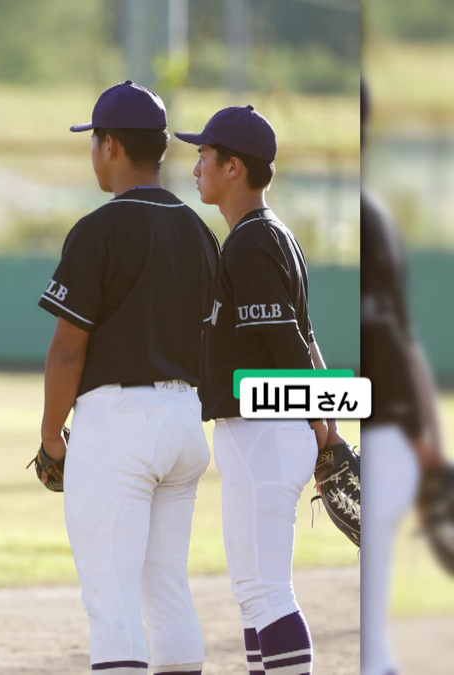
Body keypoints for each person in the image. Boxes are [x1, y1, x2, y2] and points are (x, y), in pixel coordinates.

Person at [38, 80, 218, 675]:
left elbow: (67, 353)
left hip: (119, 427)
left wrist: (50, 434)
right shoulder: (199, 231)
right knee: (167, 592)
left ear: (110, 144)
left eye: (94, 141)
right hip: (184, 420)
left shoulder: (99, 229)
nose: (94, 152)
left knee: (111, 602)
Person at [177, 104, 343, 674]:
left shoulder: (251, 244)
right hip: (268, 432)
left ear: (234, 167)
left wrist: (323, 427)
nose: (196, 163)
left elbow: (288, 343)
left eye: (205, 154)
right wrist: (328, 426)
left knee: (267, 592)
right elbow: (306, 336)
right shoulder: (272, 236)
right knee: (254, 592)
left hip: (265, 431)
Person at [359, 78, 447, 675]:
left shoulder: (367, 218)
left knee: (368, 641)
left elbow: (388, 338)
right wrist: (433, 442)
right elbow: (408, 340)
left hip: (383, 433)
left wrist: (420, 439)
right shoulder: (379, 217)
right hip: (397, 434)